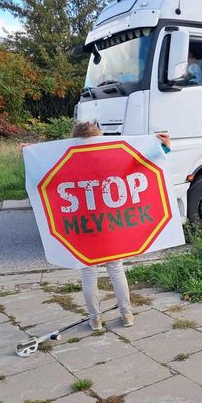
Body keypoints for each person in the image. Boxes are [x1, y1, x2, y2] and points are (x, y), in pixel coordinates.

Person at [68, 122, 172, 331]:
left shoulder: (69, 160)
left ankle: (95, 319)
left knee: (88, 273)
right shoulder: (110, 157)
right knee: (116, 269)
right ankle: (127, 315)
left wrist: (28, 154)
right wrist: (164, 147)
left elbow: (41, 174)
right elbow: (139, 163)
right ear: (100, 137)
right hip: (109, 225)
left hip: (84, 227)